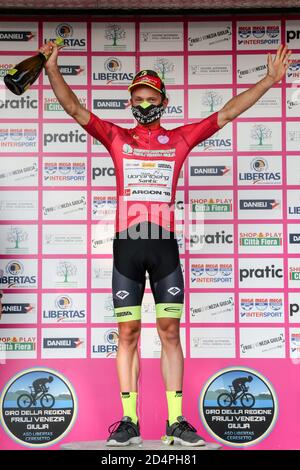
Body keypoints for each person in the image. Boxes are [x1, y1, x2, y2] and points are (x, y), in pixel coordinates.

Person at [40, 40, 291, 446]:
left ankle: (176, 421)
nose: (143, 104)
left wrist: (267, 81)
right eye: (136, 98)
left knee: (170, 332)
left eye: (149, 97)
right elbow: (73, 109)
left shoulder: (178, 140)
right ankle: (129, 421)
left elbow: (226, 112)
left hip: (164, 248)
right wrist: (52, 68)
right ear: (131, 103)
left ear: (163, 100)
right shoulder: (117, 138)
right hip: (126, 246)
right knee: (128, 335)